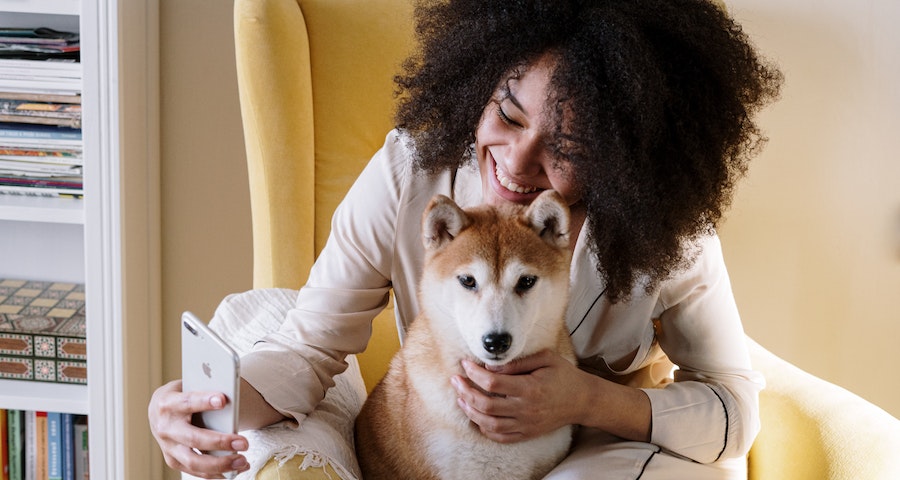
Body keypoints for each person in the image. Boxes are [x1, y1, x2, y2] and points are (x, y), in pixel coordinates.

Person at [149, 0, 782, 478]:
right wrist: (205, 409)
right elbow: (308, 346)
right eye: (507, 114)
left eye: (568, 148)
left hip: (601, 455)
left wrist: (585, 399)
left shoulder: (667, 230)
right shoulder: (409, 173)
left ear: (626, 160)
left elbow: (734, 408)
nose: (516, 160)